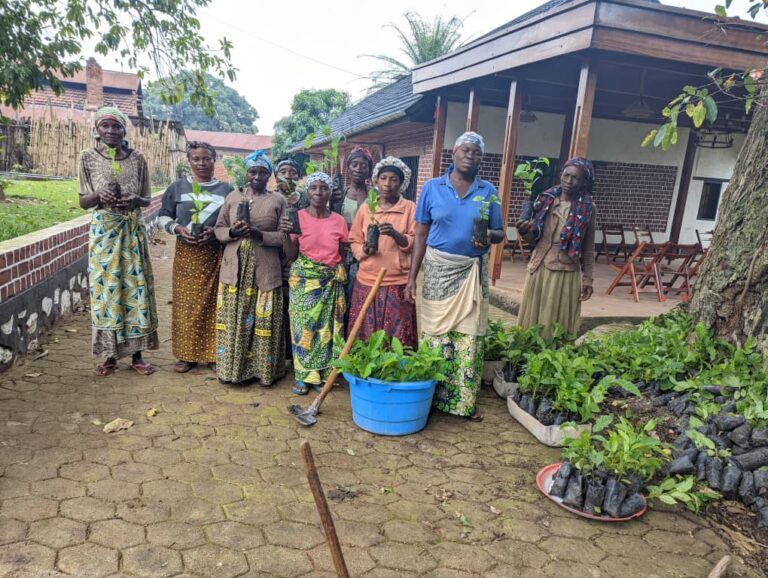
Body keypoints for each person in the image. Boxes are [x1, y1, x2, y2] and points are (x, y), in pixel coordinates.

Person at [405, 132, 504, 421]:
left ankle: (462, 402)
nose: (470, 155)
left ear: (480, 159)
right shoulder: (433, 188)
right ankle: (432, 399)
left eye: (476, 152)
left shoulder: (488, 191)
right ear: (455, 153)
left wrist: (488, 234)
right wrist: (412, 277)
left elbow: (500, 232)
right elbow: (421, 234)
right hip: (438, 268)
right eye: (466, 150)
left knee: (468, 337)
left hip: (472, 270)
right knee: (436, 334)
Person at [78, 106, 159, 376]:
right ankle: (109, 356)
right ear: (97, 130)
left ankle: (137, 354)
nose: (111, 132)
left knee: (135, 289)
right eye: (105, 126)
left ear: (125, 130)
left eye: (116, 127)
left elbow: (147, 198)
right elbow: (83, 201)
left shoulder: (137, 159)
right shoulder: (87, 157)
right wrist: (99, 195)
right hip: (104, 234)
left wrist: (135, 200)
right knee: (107, 290)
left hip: (133, 231)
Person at [214, 150, 288, 386]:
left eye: (263, 172)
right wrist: (233, 233)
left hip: (265, 269)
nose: (257, 176)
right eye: (253, 171)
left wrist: (259, 234)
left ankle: (264, 373)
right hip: (235, 269)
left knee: (263, 321)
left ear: (269, 176)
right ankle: (233, 371)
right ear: (245, 174)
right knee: (235, 320)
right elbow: (219, 228)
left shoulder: (278, 200)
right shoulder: (233, 197)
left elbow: (285, 237)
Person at [159, 141, 233, 373]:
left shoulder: (227, 190)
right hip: (187, 255)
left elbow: (231, 222)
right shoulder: (177, 188)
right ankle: (186, 355)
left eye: (207, 159)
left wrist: (216, 234)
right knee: (186, 306)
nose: (202, 163)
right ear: (189, 161)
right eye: (196, 159)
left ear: (214, 160)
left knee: (214, 304)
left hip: (214, 255)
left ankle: (213, 354)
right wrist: (178, 229)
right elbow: (163, 217)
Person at [516, 157, 596, 338]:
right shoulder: (545, 200)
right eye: (566, 175)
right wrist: (524, 232)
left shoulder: (588, 208)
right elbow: (533, 239)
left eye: (575, 178)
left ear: (584, 181)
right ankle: (526, 355)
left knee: (556, 322)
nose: (569, 181)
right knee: (532, 318)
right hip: (539, 266)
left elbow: (588, 248)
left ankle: (552, 358)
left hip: (565, 271)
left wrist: (588, 279)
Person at [284, 172, 348, 395]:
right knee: (303, 329)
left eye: (324, 188)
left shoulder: (338, 221)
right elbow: (291, 254)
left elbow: (341, 252)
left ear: (331, 192)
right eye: (314, 188)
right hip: (304, 281)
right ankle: (303, 375)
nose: (319, 193)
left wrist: (338, 274)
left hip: (330, 282)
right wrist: (285, 234)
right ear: (307, 191)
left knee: (326, 331)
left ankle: (321, 373)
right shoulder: (297, 217)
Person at [348, 156, 417, 347]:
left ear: (402, 184)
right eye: (384, 178)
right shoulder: (366, 208)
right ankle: (364, 371)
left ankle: (393, 372)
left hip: (397, 281)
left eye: (394, 179)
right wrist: (365, 250)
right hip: (367, 279)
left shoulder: (410, 209)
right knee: (366, 330)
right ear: (376, 180)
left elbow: (415, 241)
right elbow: (354, 239)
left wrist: (396, 235)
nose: (388, 184)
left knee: (397, 333)